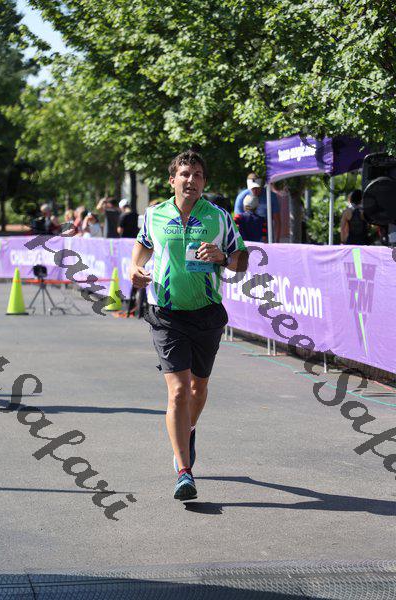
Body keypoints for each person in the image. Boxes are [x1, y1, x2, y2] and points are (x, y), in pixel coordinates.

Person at [130, 150, 248, 501]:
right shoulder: (154, 215)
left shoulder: (219, 217)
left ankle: (189, 428)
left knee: (198, 388)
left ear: (203, 182)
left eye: (197, 174)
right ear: (172, 180)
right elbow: (142, 247)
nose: (191, 180)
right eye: (184, 174)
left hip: (206, 312)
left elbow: (241, 260)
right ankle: (184, 471)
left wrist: (223, 258)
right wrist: (134, 268)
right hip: (166, 313)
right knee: (179, 391)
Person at [234, 173, 281, 242]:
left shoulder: (270, 196)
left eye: (257, 188)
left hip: (265, 239)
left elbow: (277, 220)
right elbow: (236, 223)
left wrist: (276, 241)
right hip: (245, 240)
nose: (255, 191)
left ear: (261, 186)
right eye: (253, 188)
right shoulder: (241, 197)